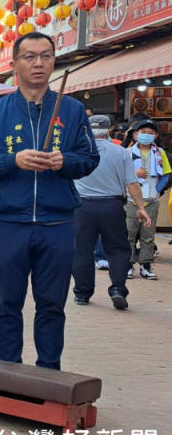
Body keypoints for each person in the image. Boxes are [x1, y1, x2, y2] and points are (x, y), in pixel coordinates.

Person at [0, 33, 98, 370]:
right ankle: (8, 375)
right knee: (7, 303)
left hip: (58, 223)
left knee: (52, 305)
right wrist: (13, 161)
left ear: (55, 61)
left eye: (45, 56)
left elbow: (88, 159)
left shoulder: (72, 110)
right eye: (29, 56)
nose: (38, 63)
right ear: (15, 64)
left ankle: (48, 375)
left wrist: (63, 161)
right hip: (10, 223)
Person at [72, 115, 150, 309]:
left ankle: (82, 293)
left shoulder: (76, 151)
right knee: (117, 249)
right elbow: (132, 182)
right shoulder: (121, 152)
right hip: (112, 207)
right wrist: (141, 207)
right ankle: (117, 289)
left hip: (82, 207)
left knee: (82, 251)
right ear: (110, 130)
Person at [125, 118, 169, 280]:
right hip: (131, 201)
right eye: (143, 132)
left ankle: (146, 265)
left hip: (151, 201)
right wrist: (133, 175)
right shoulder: (127, 153)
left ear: (156, 135)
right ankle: (128, 265)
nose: (146, 135)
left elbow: (166, 174)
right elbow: (120, 175)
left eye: (150, 133)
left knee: (148, 236)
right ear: (135, 135)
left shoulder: (160, 153)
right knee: (129, 234)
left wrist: (156, 191)